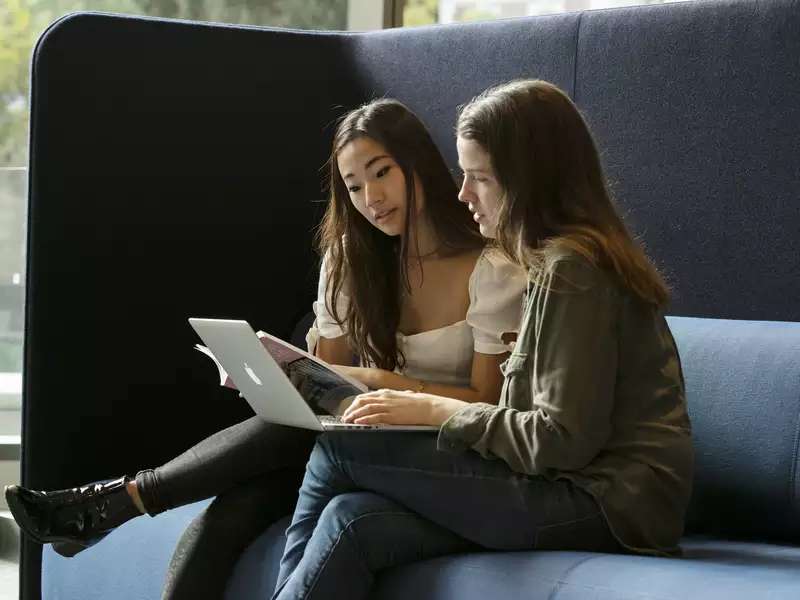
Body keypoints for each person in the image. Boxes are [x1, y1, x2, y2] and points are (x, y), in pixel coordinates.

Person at [6, 98, 527, 599]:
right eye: (353, 185)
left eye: (381, 171)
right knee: (228, 515)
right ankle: (115, 502)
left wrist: (383, 382)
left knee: (277, 452)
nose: (370, 197)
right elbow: (331, 375)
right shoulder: (352, 261)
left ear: (418, 163)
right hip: (357, 436)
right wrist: (281, 372)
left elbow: (486, 397)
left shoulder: (493, 269)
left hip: (439, 448)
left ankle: (116, 501)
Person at [269, 79, 695, 600]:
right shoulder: (552, 263)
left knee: (338, 451)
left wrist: (429, 410)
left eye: (480, 178)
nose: (463, 193)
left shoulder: (574, 270)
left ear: (528, 180)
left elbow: (558, 441)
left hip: (608, 503)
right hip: (574, 488)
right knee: (353, 520)